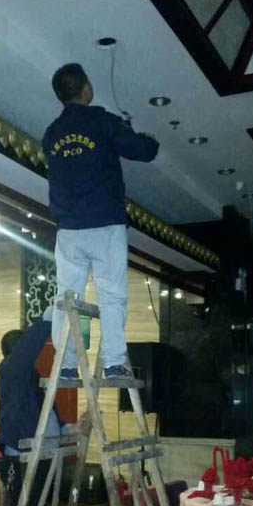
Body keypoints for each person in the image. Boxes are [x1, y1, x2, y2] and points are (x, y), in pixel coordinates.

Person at [42, 63, 159, 380]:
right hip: (105, 224)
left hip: (68, 230)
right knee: (112, 295)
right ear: (86, 89)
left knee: (68, 299)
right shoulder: (102, 121)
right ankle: (112, 363)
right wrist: (149, 140)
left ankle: (66, 366)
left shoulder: (52, 133)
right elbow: (142, 151)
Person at [0, 307, 59, 506]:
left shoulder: (28, 377)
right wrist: (44, 322)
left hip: (39, 454)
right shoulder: (10, 371)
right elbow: (26, 351)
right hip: (21, 457)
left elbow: (45, 407)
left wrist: (65, 427)